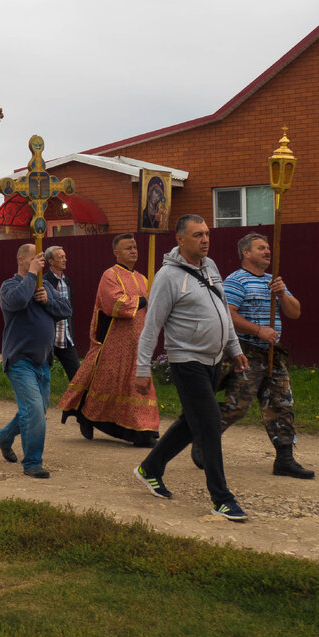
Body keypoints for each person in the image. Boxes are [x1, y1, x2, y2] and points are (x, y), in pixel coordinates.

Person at [132, 215, 250, 521]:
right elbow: (151, 326)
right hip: (186, 360)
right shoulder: (167, 277)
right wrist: (142, 369)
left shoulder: (210, 267)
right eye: (198, 235)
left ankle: (150, 468)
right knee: (209, 424)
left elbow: (222, 310)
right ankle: (222, 498)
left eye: (207, 234)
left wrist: (234, 349)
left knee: (190, 422)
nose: (205, 239)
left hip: (213, 360)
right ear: (180, 239)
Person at [201, 232, 314, 480]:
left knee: (281, 404)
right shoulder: (235, 281)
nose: (267, 251)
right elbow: (228, 315)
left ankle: (285, 459)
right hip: (245, 353)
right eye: (261, 248)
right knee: (237, 406)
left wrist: (282, 294)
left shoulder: (274, 282)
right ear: (246, 253)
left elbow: (295, 313)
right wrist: (258, 330)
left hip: (273, 354)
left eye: (267, 248)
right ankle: (203, 440)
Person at [59, 233, 159, 447]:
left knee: (137, 385)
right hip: (114, 342)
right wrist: (144, 299)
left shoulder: (143, 278)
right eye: (127, 248)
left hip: (139, 343)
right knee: (107, 385)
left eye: (134, 247)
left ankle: (145, 429)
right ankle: (89, 416)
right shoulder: (110, 275)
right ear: (116, 253)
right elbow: (114, 304)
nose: (133, 251)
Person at [0, 244, 73, 478]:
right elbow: (16, 302)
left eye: (41, 259)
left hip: (43, 361)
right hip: (19, 360)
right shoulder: (10, 285)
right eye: (35, 258)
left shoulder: (45, 285)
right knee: (34, 411)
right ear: (21, 260)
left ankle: (4, 437)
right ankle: (33, 462)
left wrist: (48, 300)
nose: (40, 262)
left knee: (36, 410)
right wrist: (31, 276)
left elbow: (65, 309)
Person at [41, 245, 80, 381]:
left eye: (64, 257)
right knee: (43, 375)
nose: (65, 259)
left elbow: (70, 310)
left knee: (77, 376)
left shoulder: (67, 282)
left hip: (65, 336)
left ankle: (77, 402)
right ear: (51, 261)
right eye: (61, 257)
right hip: (49, 336)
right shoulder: (44, 281)